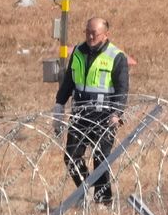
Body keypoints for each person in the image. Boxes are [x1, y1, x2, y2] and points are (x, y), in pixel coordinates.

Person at [52, 17, 130, 202]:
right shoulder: (78, 52)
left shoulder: (116, 56)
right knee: (71, 157)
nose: (89, 36)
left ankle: (103, 201)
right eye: (87, 31)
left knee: (100, 159)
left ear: (105, 34)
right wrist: (59, 104)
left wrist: (117, 113)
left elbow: (122, 89)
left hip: (104, 115)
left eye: (94, 33)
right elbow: (69, 81)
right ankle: (84, 190)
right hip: (80, 115)